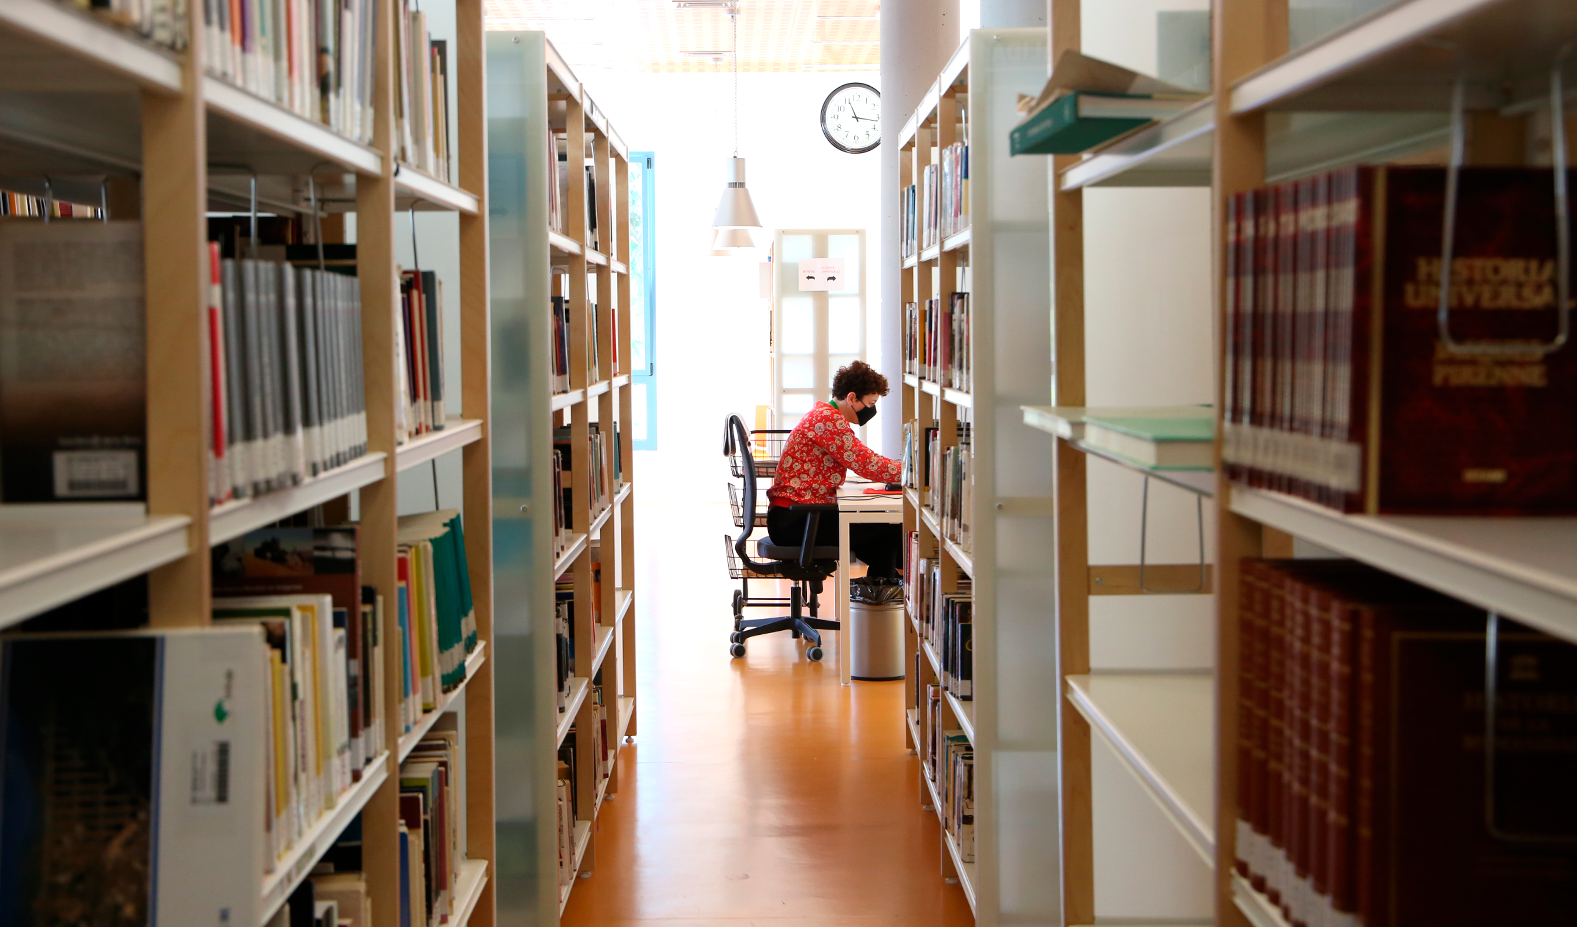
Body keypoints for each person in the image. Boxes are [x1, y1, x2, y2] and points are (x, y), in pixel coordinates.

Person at [766, 360, 904, 580]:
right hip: (797, 521)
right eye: (870, 402)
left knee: (884, 542)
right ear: (851, 398)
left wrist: (901, 468)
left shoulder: (824, 415)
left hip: (798, 515)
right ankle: (903, 593)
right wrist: (911, 472)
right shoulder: (827, 420)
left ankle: (880, 599)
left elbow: (865, 458)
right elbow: (867, 463)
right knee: (891, 529)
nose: (872, 409)